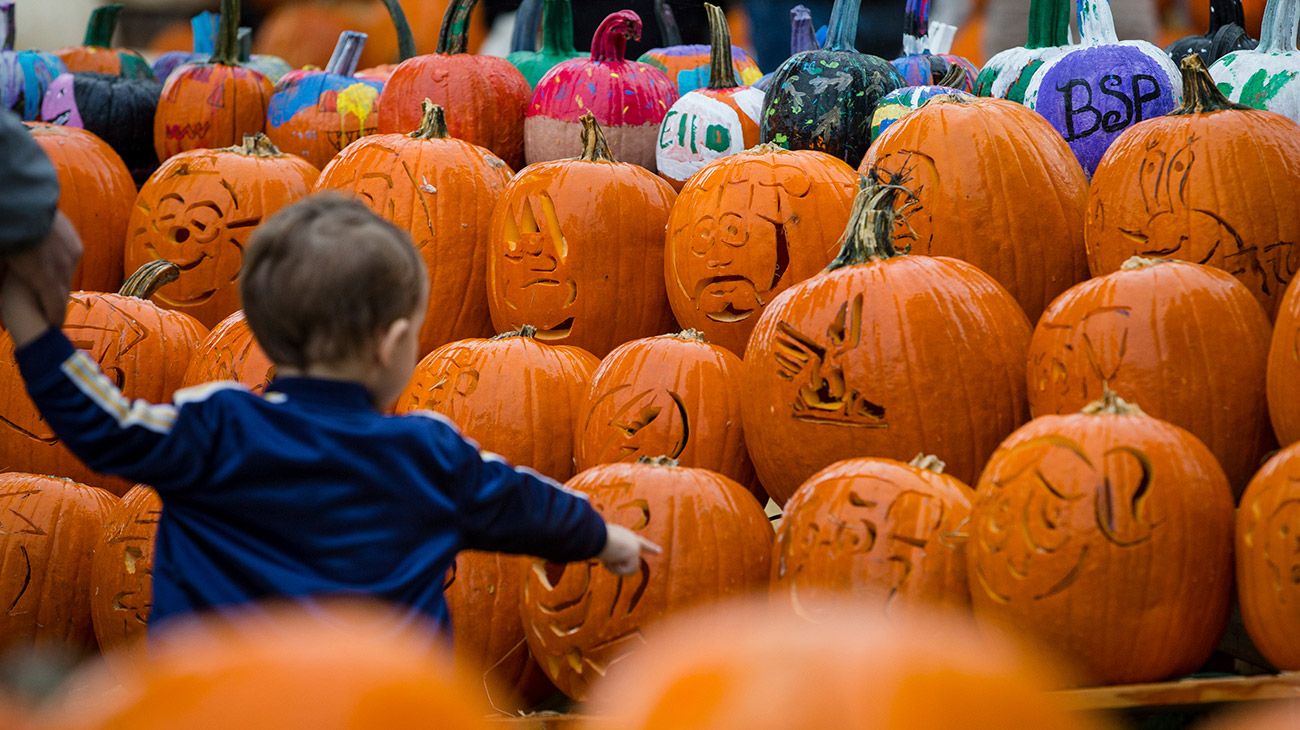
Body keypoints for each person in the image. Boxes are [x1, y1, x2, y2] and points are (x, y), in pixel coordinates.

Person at [0, 193, 659, 637]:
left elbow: (102, 420)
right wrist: (601, 537)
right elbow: (522, 504)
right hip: (374, 705)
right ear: (393, 343)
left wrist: (31, 324)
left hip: (218, 702)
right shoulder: (428, 454)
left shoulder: (215, 429)